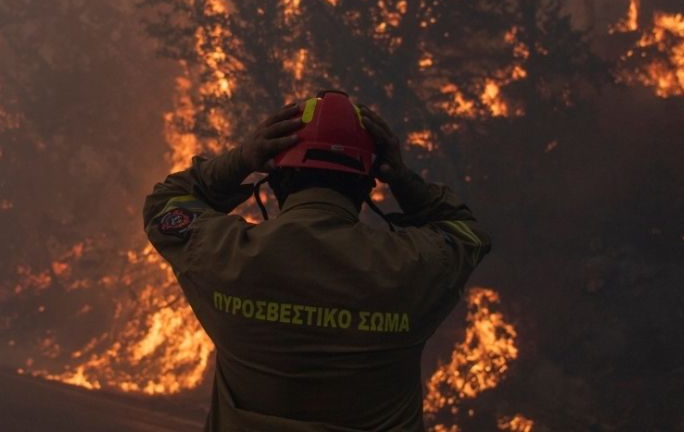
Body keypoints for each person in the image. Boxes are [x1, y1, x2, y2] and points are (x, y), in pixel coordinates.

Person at [143, 90, 490, 432]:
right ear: (366, 187)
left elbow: (165, 205)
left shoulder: (225, 253)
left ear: (276, 180)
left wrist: (243, 159)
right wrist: (401, 177)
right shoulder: (412, 266)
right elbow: (465, 233)